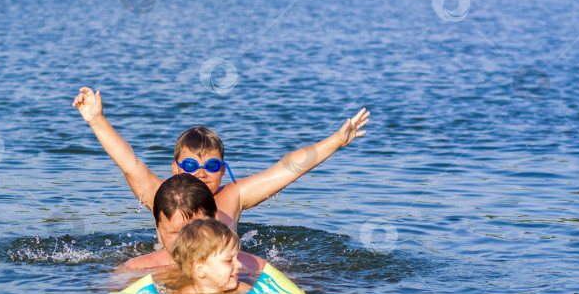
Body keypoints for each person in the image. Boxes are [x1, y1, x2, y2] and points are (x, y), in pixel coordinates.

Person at [73, 86, 370, 230]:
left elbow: (288, 168)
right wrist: (96, 119)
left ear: (223, 169)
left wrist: (336, 141)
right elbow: (129, 162)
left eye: (212, 166)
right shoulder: (161, 195)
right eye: (191, 165)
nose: (202, 172)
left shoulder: (233, 197)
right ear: (176, 168)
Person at [122, 174, 265, 272]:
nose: (184, 241)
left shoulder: (254, 269)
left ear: (214, 220)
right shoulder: (135, 271)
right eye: (173, 233)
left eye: (192, 230)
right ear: (158, 226)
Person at [169, 218, 254, 294]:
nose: (239, 264)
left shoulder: (244, 290)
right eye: (228, 260)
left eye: (237, 257)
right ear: (200, 269)